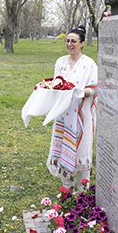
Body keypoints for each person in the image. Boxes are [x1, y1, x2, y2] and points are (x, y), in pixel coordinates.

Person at [46, 25, 98, 193]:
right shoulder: (60, 62)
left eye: (73, 41)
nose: (69, 44)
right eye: (67, 41)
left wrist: (81, 92)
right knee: (64, 148)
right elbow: (56, 84)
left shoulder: (89, 64)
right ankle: (66, 192)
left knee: (82, 148)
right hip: (63, 113)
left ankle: (83, 193)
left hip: (82, 114)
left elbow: (95, 89)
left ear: (82, 43)